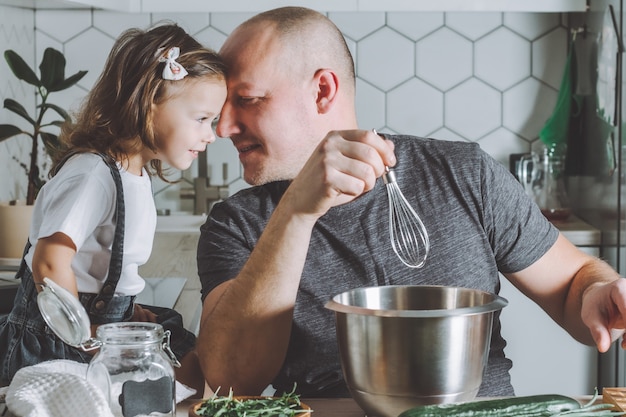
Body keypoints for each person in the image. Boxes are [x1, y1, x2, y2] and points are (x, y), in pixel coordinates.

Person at [196, 6, 626, 398]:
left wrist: (598, 293)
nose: (224, 127)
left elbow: (573, 281)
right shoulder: (236, 225)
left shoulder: (464, 174)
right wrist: (295, 213)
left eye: (247, 100)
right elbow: (230, 379)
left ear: (323, 91)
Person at [0, 22, 226, 394]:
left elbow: (101, 265)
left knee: (190, 356)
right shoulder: (92, 174)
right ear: (149, 102)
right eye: (202, 118)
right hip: (57, 334)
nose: (211, 134)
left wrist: (126, 313)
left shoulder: (131, 175)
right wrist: (85, 337)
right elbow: (50, 263)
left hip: (99, 320)